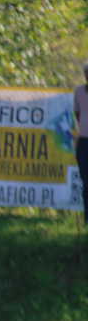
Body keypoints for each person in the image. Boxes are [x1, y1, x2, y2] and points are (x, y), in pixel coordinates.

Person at [74, 62, 88, 224]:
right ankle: (86, 217)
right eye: (86, 73)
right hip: (83, 143)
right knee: (86, 180)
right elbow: (77, 114)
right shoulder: (79, 92)